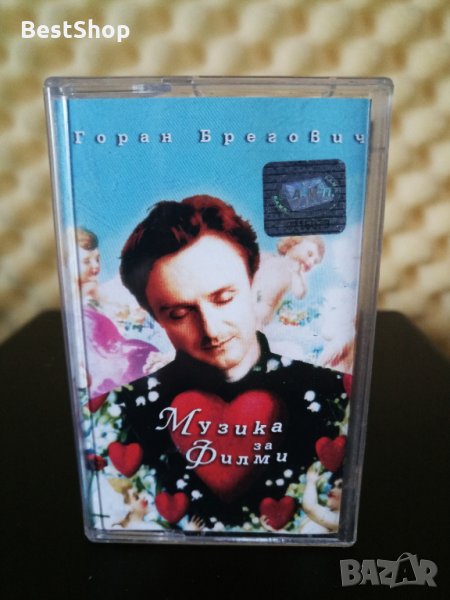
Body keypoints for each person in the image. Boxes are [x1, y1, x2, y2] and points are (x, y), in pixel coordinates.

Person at [105, 195, 347, 532]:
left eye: (224, 298)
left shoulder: (335, 394)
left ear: (253, 281)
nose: (211, 329)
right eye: (179, 313)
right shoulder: (122, 410)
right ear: (156, 318)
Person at [253, 235, 325, 328]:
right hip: (249, 302)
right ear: (295, 243)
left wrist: (296, 274)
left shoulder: (295, 271)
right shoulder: (271, 258)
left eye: (315, 262)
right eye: (309, 254)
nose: (311, 262)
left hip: (262, 314)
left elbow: (299, 293)